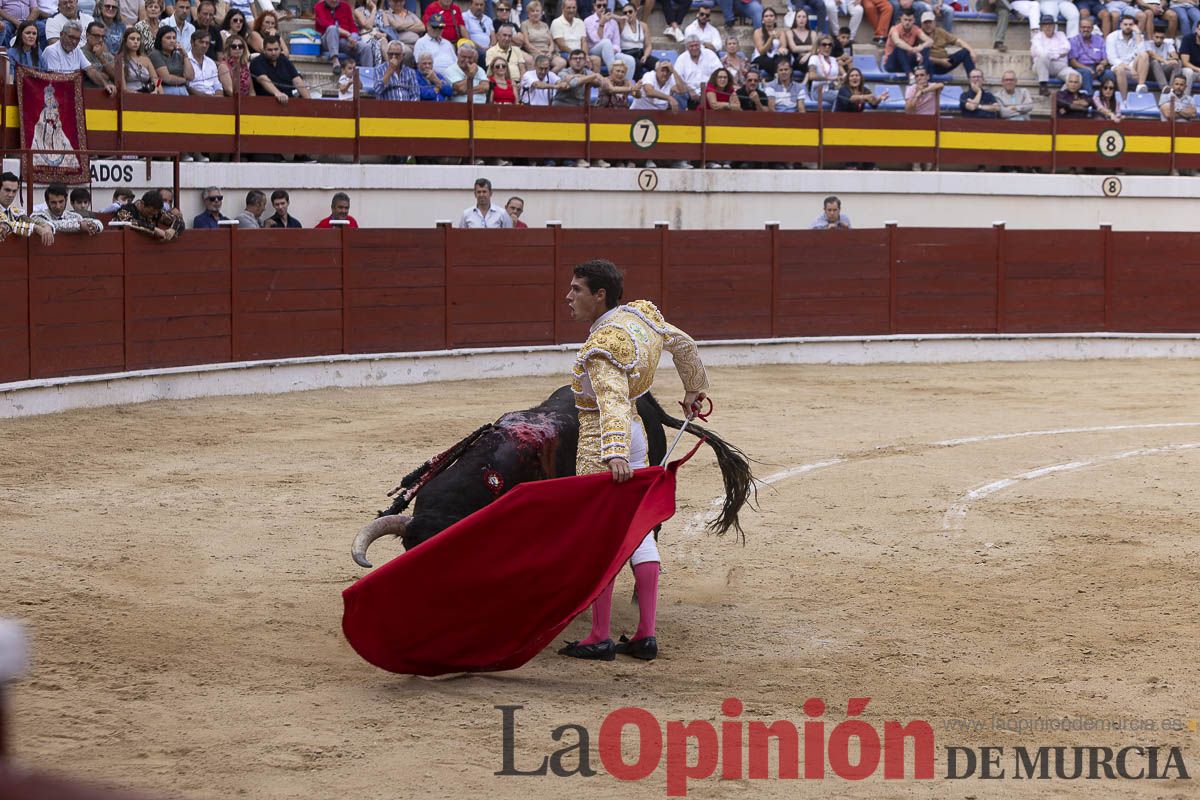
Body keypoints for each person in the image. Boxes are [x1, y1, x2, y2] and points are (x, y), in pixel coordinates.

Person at [557, 259, 708, 663]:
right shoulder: (641, 316)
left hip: (604, 442)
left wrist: (614, 453)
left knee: (600, 535)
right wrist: (695, 391)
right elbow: (686, 347)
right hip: (640, 432)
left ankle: (600, 636)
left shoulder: (602, 345)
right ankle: (644, 635)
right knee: (638, 531)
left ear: (599, 294)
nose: (568, 297)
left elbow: (610, 403)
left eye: (576, 289)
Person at [251, 34, 312, 103]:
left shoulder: (284, 60)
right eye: (270, 50)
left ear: (280, 49)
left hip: (288, 101)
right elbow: (263, 80)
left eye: (276, 49)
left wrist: (310, 102)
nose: (273, 53)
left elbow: (297, 81)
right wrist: (277, 93)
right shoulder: (256, 62)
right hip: (266, 103)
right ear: (264, 50)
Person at [0, 172, 55, 245]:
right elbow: (9, 224)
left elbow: (29, 220)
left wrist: (46, 226)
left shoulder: (14, 211)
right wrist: (36, 228)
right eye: (7, 190)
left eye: (14, 191)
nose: (11, 195)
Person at [920, 10, 975, 79]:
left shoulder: (940, 31)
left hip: (946, 62)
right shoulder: (919, 34)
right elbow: (921, 57)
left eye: (930, 22)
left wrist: (972, 51)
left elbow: (958, 41)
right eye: (925, 23)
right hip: (931, 65)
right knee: (926, 61)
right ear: (922, 24)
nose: (928, 25)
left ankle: (973, 82)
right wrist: (940, 61)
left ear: (934, 23)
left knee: (965, 52)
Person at [32, 182, 103, 234]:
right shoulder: (39, 216)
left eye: (61, 202)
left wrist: (93, 226)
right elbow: (52, 224)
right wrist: (79, 225)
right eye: (54, 203)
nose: (58, 206)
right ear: (47, 203)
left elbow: (99, 223)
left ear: (66, 200)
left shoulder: (73, 216)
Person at [113, 189, 184, 240]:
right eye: (150, 212)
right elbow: (127, 222)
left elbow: (179, 220)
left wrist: (173, 229)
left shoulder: (156, 212)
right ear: (142, 204)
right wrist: (154, 229)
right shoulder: (126, 210)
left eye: (155, 213)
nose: (152, 215)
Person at [1068, 16, 1113, 94]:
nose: (1086, 29)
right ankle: (1090, 99)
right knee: (1086, 73)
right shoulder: (1073, 41)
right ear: (1079, 28)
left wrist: (1102, 65)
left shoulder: (1099, 40)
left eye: (1088, 27)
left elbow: (1105, 58)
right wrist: (1088, 69)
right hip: (1081, 68)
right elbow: (1073, 62)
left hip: (1097, 67)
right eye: (1083, 27)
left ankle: (1109, 99)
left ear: (1092, 28)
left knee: (1109, 74)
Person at [1105, 14, 1147, 95]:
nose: (1128, 27)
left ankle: (1140, 86)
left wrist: (1138, 33)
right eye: (1125, 24)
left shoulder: (1138, 36)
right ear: (1121, 25)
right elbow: (1112, 59)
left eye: (1130, 25)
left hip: (1134, 66)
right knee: (1120, 70)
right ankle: (1124, 99)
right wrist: (1130, 69)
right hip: (1119, 67)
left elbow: (1142, 53)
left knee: (1144, 55)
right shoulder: (1112, 36)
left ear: (1134, 26)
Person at [1032, 14, 1073, 95]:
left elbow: (1067, 48)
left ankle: (1061, 94)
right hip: (1042, 66)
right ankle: (1043, 86)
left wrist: (1050, 53)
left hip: (1060, 67)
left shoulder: (1061, 34)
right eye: (1045, 25)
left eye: (1050, 24)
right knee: (1043, 56)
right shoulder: (1037, 37)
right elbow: (1040, 52)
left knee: (1076, 76)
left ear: (1054, 26)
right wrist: (1058, 54)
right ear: (1042, 27)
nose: (1048, 27)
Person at [883, 9, 930, 75]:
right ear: (901, 19)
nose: (907, 22)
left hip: (907, 61)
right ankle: (910, 75)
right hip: (892, 63)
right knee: (899, 48)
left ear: (914, 20)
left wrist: (921, 47)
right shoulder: (895, 29)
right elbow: (897, 42)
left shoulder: (916, 29)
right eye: (905, 20)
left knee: (926, 49)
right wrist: (914, 50)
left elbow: (930, 41)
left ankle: (923, 74)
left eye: (910, 20)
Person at [150, 26, 194, 95]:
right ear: (160, 40)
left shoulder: (178, 55)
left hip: (183, 90)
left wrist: (185, 55)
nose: (172, 41)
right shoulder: (155, 54)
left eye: (174, 38)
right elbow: (166, 78)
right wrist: (185, 80)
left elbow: (190, 76)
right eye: (168, 38)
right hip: (166, 90)